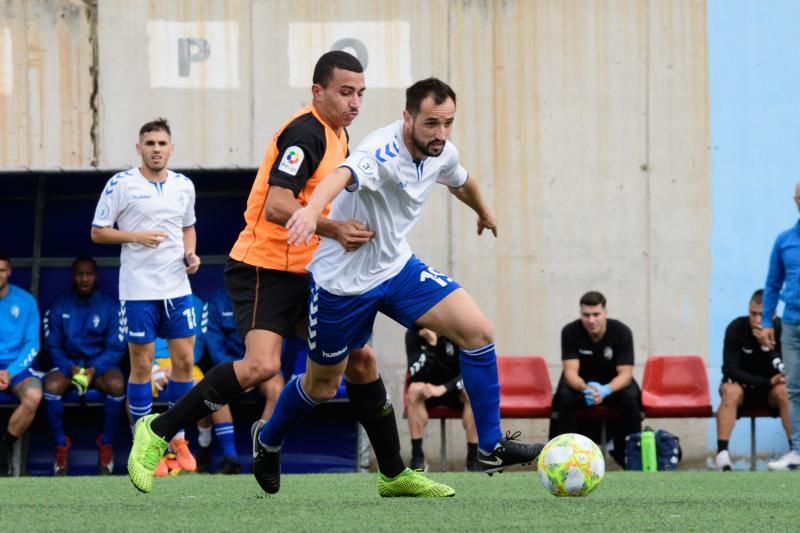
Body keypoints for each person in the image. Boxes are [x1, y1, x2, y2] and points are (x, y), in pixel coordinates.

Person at [128, 52, 447, 497]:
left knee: (361, 362)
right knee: (261, 365)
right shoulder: (305, 132)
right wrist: (335, 228)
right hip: (265, 267)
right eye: (344, 92)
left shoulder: (340, 132)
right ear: (318, 92)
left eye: (360, 93)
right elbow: (278, 205)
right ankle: (157, 430)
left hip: (311, 272)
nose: (355, 102)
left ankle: (394, 474)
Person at [261, 77, 543, 494]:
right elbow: (339, 176)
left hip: (397, 269)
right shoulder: (382, 149)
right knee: (320, 386)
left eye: (448, 123)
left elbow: (460, 179)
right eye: (431, 123)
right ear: (407, 117)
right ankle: (267, 440)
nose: (441, 134)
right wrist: (312, 212)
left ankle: (490, 445)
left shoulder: (441, 151)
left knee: (479, 332)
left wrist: (484, 211)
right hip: (343, 283)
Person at [91, 117, 202, 478]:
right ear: (139, 148)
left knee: (184, 361)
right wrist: (135, 236)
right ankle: (145, 442)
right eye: (150, 143)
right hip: (139, 290)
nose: (156, 149)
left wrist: (191, 255)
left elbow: (188, 227)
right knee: (142, 366)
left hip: (177, 288)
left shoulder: (184, 186)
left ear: (171, 148)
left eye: (162, 143)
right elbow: (98, 232)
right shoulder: (121, 184)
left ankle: (179, 436)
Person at [42, 256, 127, 475]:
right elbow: (52, 346)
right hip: (69, 368)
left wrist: (94, 369)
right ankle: (61, 445)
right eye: (80, 274)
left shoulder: (110, 306)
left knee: (118, 385)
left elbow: (116, 347)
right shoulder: (60, 306)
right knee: (50, 387)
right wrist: (70, 367)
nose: (85, 279)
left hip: (99, 368)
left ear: (96, 276)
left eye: (89, 274)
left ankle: (106, 444)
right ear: (73, 276)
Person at [548, 291, 642, 467]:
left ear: (605, 313)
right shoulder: (570, 331)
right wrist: (586, 388)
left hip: (613, 385)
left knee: (630, 397)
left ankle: (633, 457)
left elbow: (626, 374)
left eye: (596, 314)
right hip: (582, 385)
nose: (591, 320)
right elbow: (570, 372)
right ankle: (560, 459)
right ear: (581, 314)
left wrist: (605, 390)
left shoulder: (621, 332)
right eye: (586, 315)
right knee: (564, 398)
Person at [715, 289, 789, 471]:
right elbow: (730, 369)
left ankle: (796, 451)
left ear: (773, 315)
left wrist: (767, 348)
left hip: (771, 393)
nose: (756, 320)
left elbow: (788, 371)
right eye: (753, 314)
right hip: (742, 390)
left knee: (786, 391)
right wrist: (765, 382)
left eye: (762, 315)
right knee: (730, 390)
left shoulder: (784, 330)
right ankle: (722, 454)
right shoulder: (736, 328)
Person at [762, 182, 800, 470]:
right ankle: (798, 450)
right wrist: (766, 321)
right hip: (792, 324)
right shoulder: (784, 240)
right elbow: (773, 284)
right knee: (795, 388)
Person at [405, 327, 479, 472]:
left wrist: (444, 388)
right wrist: (431, 345)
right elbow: (414, 375)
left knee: (473, 391)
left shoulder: (457, 332)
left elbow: (470, 373)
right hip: (427, 393)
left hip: (454, 392)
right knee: (414, 389)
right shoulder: (414, 334)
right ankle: (417, 457)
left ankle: (473, 460)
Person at [149, 293, 206, 476]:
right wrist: (155, 369)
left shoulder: (196, 303)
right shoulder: (145, 299)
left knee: (211, 390)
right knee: (135, 388)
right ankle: (144, 450)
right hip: (154, 364)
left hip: (183, 363)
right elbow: (138, 346)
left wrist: (177, 367)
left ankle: (205, 451)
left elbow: (198, 344)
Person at [0, 250, 43, 476]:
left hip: (16, 367)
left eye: (1, 270)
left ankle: (4, 448)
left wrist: (9, 371)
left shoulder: (25, 301)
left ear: (9, 272)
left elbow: (32, 344)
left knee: (34, 395)